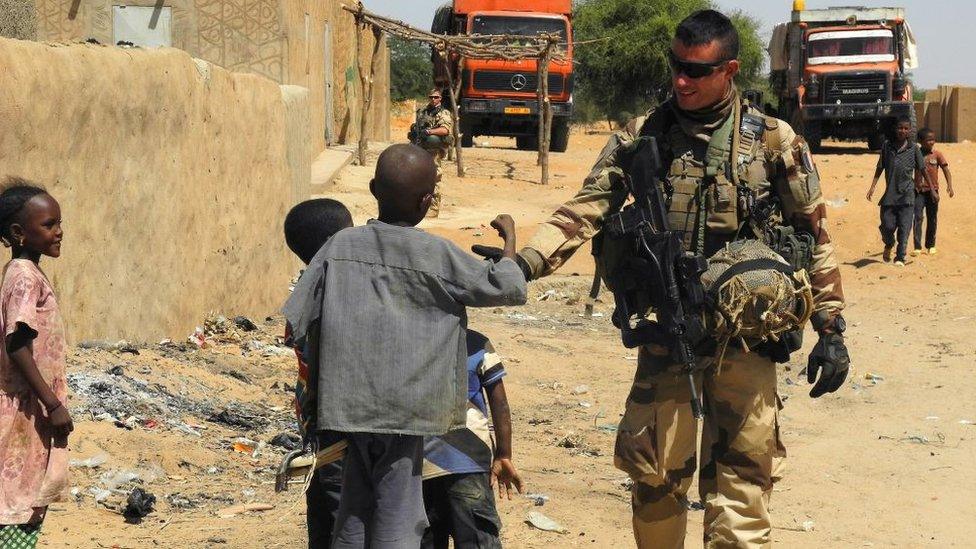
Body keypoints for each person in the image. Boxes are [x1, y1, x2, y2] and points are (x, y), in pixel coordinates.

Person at [476, 10, 849, 547]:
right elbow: (586, 209)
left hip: (748, 336)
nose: (681, 81)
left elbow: (814, 234)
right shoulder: (644, 133)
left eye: (696, 71)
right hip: (667, 332)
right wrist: (526, 263)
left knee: (743, 481)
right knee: (655, 478)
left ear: (731, 69)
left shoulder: (774, 140)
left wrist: (832, 328)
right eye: (675, 67)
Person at [283, 143, 526, 548]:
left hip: (347, 409)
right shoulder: (436, 253)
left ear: (375, 188)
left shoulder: (338, 248)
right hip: (407, 413)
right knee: (399, 510)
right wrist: (510, 242)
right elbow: (509, 286)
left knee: (355, 508)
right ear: (427, 201)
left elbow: (300, 317)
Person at [0, 179, 71, 548]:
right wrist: (53, 403)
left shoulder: (25, 272)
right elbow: (17, 346)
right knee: (19, 503)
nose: (59, 232)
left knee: (22, 497)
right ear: (18, 233)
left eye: (60, 223)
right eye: (48, 225)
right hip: (26, 409)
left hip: (31, 406)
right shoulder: (25, 278)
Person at [282, 198, 354, 548]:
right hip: (339, 426)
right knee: (344, 509)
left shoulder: (309, 289)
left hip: (318, 426)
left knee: (325, 510)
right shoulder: (336, 292)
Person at [421, 330, 523, 549]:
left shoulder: (409, 341)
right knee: (477, 538)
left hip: (420, 461)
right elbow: (500, 404)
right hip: (469, 460)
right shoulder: (477, 343)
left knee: (425, 538)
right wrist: (504, 454)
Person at [866, 117, 934, 265]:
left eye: (905, 128)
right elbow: (880, 167)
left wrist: (932, 190)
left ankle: (900, 257)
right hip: (889, 196)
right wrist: (872, 187)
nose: (902, 131)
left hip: (907, 195)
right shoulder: (887, 146)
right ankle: (889, 243)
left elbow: (922, 169)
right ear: (895, 129)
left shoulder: (913, 148)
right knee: (887, 226)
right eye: (900, 128)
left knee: (904, 227)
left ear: (909, 131)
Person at [409, 89, 454, 218]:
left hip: (433, 150)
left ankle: (433, 208)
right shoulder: (423, 111)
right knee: (417, 176)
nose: (433, 99)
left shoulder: (443, 113)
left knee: (434, 177)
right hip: (420, 147)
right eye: (431, 97)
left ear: (440, 99)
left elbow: (445, 130)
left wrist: (429, 132)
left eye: (436, 97)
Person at [912, 128, 953, 256]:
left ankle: (931, 245)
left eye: (933, 139)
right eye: (928, 140)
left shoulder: (937, 155)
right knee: (918, 217)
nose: (931, 142)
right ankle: (917, 246)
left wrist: (949, 186)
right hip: (918, 192)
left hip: (933, 192)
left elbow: (946, 170)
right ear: (920, 141)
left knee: (932, 218)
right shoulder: (915, 153)